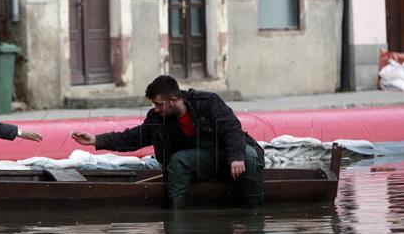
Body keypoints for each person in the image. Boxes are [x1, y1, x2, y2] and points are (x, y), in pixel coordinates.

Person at [71, 75, 264, 208]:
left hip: (230, 156)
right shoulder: (158, 118)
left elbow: (232, 128)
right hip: (201, 163)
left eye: (158, 104)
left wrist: (237, 157)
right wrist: (96, 140)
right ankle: (175, 218)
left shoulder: (208, 102)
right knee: (179, 160)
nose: (155, 109)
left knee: (248, 156)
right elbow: (134, 137)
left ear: (173, 99)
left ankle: (254, 212)